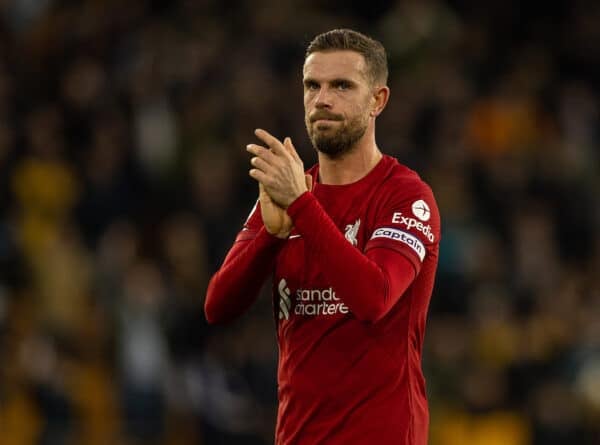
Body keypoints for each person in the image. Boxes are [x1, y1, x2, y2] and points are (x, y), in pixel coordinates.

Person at [205, 28, 440, 445]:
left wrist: (302, 208)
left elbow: (374, 297)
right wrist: (271, 237)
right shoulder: (290, 190)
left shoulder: (405, 195)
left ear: (377, 101)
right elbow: (218, 307)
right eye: (312, 85)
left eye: (342, 86)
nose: (322, 99)